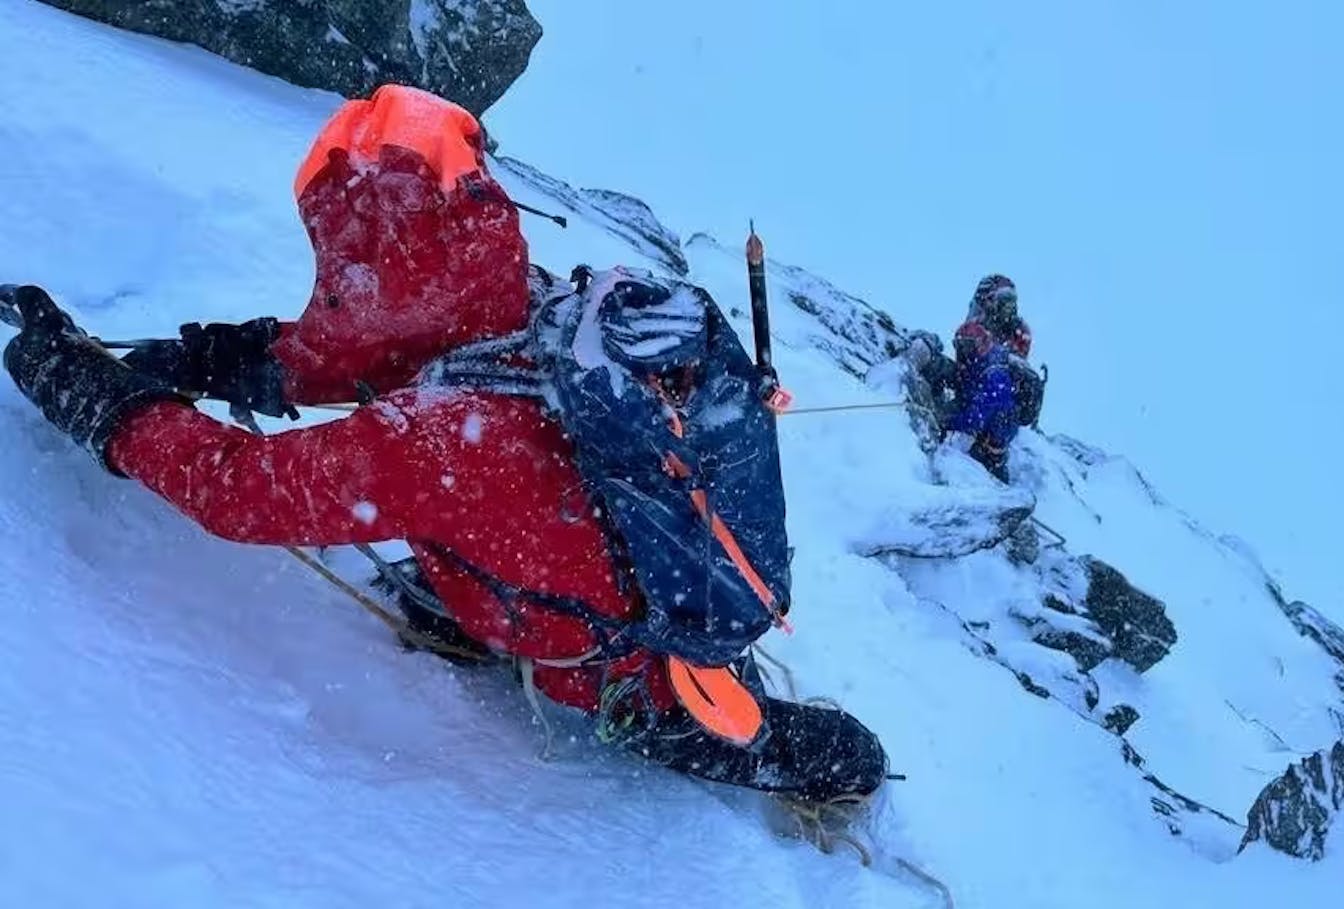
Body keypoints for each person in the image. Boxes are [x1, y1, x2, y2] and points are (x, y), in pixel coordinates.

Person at [2, 84, 886, 803]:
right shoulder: (520, 309)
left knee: (757, 737)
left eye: (348, 256)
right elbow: (379, 347)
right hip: (599, 572)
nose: (336, 276)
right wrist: (214, 357)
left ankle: (818, 751)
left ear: (379, 256)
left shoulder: (440, 443)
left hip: (623, 664)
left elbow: (241, 490)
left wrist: (106, 407)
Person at [942, 274, 1041, 480]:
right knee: (998, 382)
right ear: (987, 301)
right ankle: (964, 434)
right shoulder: (973, 328)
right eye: (1003, 299)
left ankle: (993, 451)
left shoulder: (1019, 331)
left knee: (1007, 398)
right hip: (972, 397)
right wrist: (1008, 361)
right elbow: (976, 353)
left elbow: (1015, 368)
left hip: (998, 412)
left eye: (1012, 299)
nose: (1009, 306)